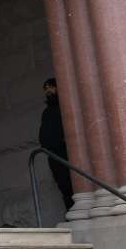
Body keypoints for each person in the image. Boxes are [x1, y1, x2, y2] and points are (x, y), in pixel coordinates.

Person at [38, 78, 73, 210]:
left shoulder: (66, 107)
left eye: (51, 87)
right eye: (46, 89)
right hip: (55, 157)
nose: (48, 91)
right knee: (65, 189)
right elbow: (43, 136)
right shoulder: (47, 112)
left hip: (68, 154)